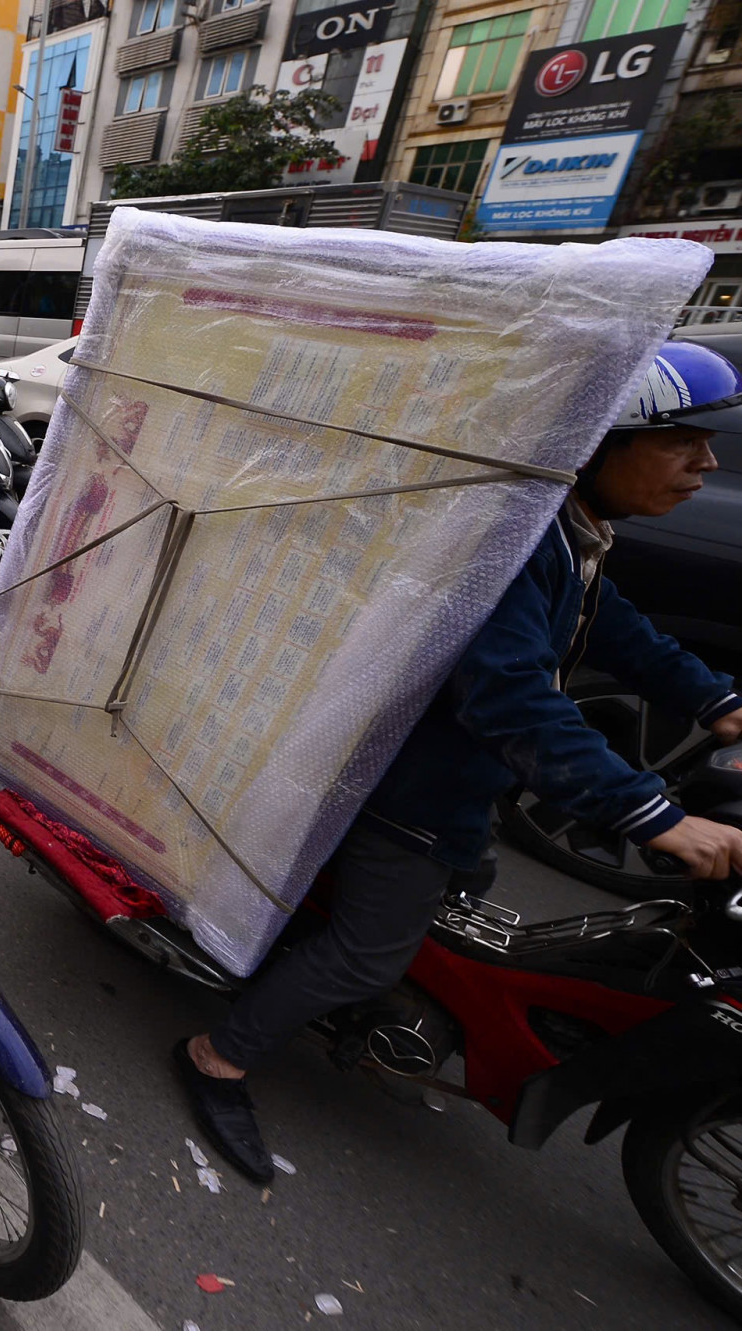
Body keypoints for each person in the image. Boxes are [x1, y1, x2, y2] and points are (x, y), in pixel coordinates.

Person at [175, 340, 742, 1187]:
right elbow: (511, 700)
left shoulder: (570, 533)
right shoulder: (514, 544)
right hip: (406, 785)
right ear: (600, 446)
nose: (708, 461)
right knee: (369, 949)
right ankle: (218, 1053)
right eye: (681, 442)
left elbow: (620, 632)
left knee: (462, 893)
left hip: (463, 785)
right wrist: (654, 814)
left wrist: (719, 702)